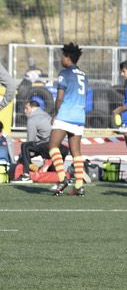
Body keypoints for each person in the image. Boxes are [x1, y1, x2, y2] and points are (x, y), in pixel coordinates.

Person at [47, 42, 90, 195]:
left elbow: (59, 98)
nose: (61, 59)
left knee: (52, 146)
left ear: (68, 58)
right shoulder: (84, 75)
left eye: (62, 56)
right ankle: (78, 185)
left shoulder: (64, 73)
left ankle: (61, 178)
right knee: (76, 152)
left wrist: (55, 114)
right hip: (79, 116)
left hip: (65, 114)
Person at [17, 97, 53, 178]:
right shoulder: (46, 115)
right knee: (52, 172)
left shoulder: (32, 119)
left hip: (49, 145)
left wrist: (24, 157)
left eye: (26, 108)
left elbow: (30, 140)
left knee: (25, 146)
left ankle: (26, 174)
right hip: (59, 146)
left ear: (32, 108)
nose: (24, 111)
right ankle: (47, 165)